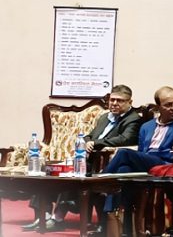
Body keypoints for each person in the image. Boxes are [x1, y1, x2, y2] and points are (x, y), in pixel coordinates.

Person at [24, 85, 143, 231]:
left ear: (130, 102)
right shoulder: (105, 117)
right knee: (47, 169)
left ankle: (57, 218)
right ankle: (43, 216)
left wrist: (95, 143)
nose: (114, 103)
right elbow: (89, 135)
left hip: (102, 163)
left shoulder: (133, 119)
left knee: (75, 170)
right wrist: (86, 141)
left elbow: (125, 139)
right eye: (112, 100)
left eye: (120, 101)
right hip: (87, 159)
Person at [101, 86, 173, 217]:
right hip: (147, 162)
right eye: (168, 105)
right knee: (123, 170)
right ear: (158, 107)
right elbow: (141, 151)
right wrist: (145, 157)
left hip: (166, 164)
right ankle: (112, 216)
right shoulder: (147, 126)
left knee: (123, 153)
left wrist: (150, 155)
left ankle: (100, 182)